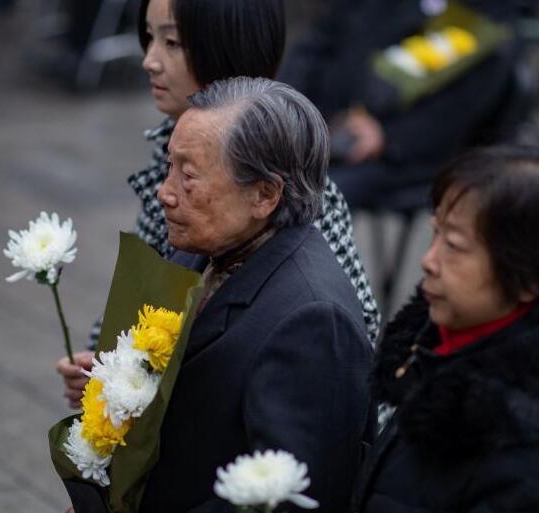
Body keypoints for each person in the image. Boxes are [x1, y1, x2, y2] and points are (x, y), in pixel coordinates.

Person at [57, 0, 381, 409]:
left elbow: (347, 346)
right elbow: (151, 286)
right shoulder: (173, 140)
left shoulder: (297, 187)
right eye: (149, 37)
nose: (150, 61)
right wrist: (107, 364)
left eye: (172, 42)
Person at [134, 76, 373, 513]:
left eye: (188, 176)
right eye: (170, 167)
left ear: (265, 194)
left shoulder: (314, 321)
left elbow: (290, 501)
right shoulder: (204, 246)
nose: (164, 192)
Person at [353, 145, 539, 513]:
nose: (428, 261)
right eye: (436, 233)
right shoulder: (433, 348)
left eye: (455, 246)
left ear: (531, 279)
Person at [279, 0, 521, 210]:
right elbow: (316, 45)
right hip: (322, 121)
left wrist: (386, 135)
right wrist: (292, 107)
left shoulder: (489, 13)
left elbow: (463, 106)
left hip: (401, 151)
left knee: (312, 194)